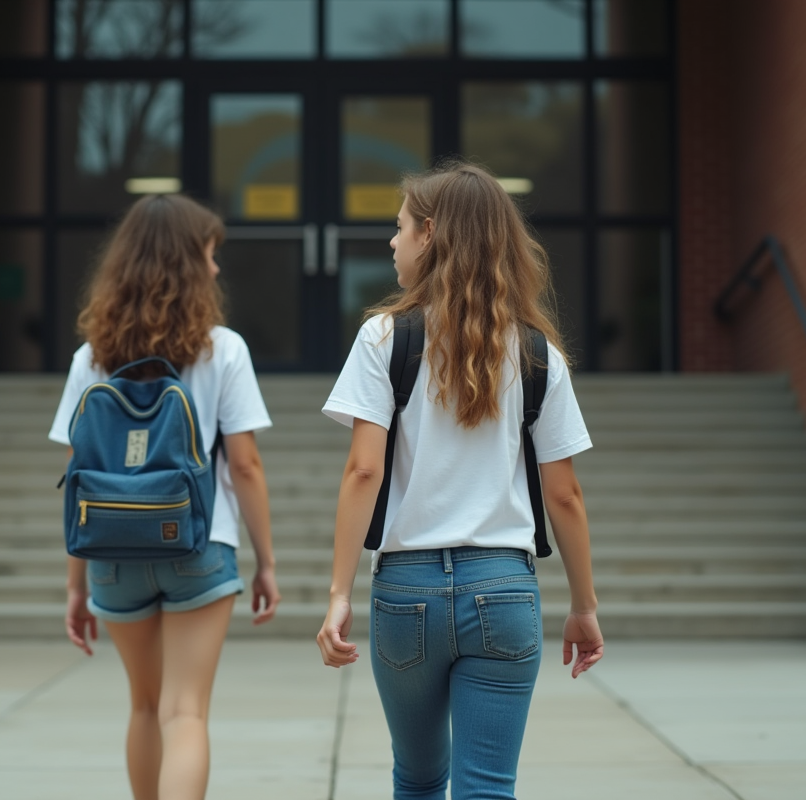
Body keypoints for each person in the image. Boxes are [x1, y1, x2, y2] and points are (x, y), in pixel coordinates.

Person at [316, 161, 604, 799]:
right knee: (488, 789)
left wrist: (338, 592)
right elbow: (565, 495)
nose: (392, 243)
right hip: (503, 589)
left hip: (406, 593)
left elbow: (364, 468)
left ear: (431, 234)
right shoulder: (538, 353)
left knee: (417, 782)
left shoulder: (383, 338)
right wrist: (583, 607)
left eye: (399, 229)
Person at [49, 194, 281, 800]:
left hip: (113, 553)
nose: (215, 268)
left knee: (144, 708)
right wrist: (266, 563)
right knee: (186, 713)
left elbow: (79, 472)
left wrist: (76, 587)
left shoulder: (90, 357)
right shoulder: (221, 349)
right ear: (186, 261)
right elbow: (246, 466)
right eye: (209, 254)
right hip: (199, 544)